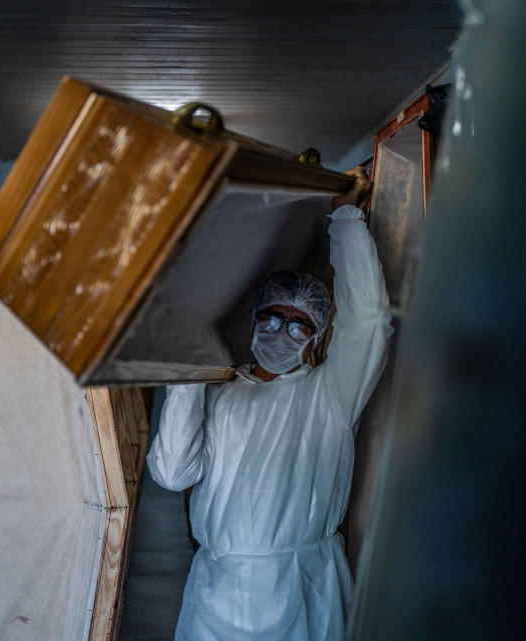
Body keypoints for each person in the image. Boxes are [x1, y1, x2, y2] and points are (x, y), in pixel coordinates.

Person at [146, 167, 393, 641]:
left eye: (300, 324)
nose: (284, 332)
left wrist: (346, 220)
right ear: (254, 320)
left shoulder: (329, 397)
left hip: (302, 585)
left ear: (317, 336)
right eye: (274, 318)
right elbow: (173, 474)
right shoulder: (218, 395)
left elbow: (368, 321)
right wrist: (186, 377)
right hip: (217, 588)